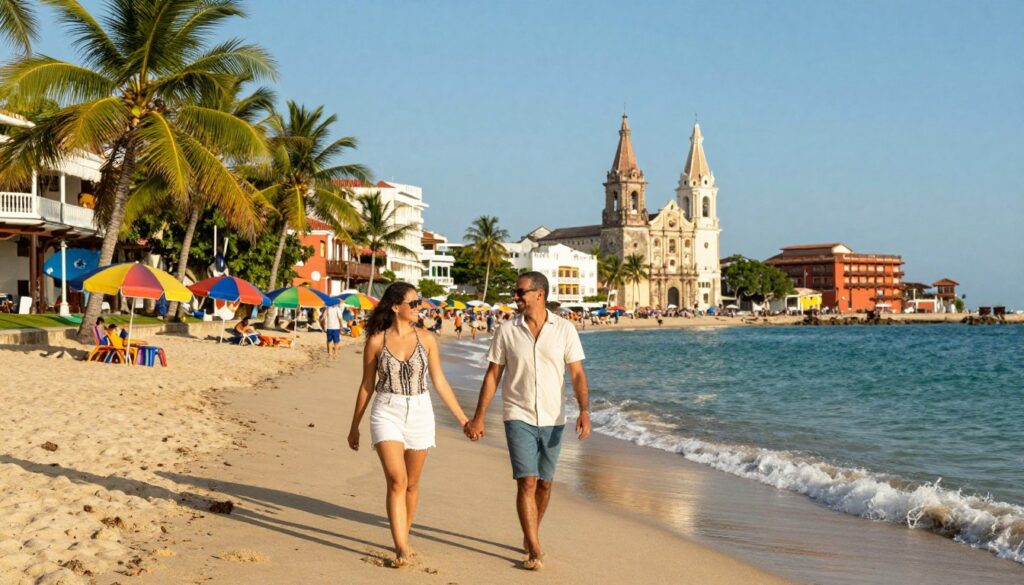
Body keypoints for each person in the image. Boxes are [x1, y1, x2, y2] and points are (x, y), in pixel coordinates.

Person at [465, 271, 590, 570]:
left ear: (539, 294)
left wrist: (584, 410)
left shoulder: (564, 330)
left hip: (553, 417)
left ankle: (530, 531)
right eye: (515, 292)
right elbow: (493, 375)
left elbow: (576, 374)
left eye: (520, 292)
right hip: (517, 414)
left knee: (545, 484)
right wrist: (479, 416)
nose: (515, 297)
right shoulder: (507, 331)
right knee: (527, 481)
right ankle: (534, 547)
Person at [347, 282, 471, 568]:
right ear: (395, 307)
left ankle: (405, 531)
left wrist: (463, 419)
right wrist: (354, 425)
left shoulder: (427, 339)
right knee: (397, 480)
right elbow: (367, 385)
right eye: (413, 303)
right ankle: (401, 547)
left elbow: (439, 381)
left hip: (419, 412)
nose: (419, 308)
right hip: (386, 411)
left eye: (420, 302)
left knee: (412, 484)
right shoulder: (377, 341)